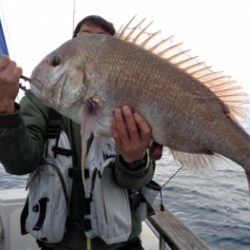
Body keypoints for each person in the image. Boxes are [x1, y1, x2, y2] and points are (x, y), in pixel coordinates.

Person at [0, 15, 156, 250]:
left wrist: (134, 161)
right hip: (58, 245)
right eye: (84, 38)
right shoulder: (40, 99)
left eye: (103, 41)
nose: (92, 46)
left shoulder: (133, 96)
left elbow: (135, 180)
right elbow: (20, 164)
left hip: (121, 244)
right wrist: (4, 108)